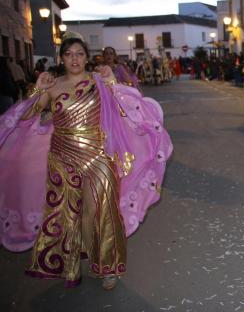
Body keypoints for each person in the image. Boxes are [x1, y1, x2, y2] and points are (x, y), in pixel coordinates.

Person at [0, 32, 172, 290]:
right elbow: (28, 116)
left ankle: (107, 268)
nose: (74, 59)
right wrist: (38, 89)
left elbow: (124, 106)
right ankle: (69, 265)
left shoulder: (97, 82)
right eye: (69, 54)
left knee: (100, 211)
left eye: (79, 53)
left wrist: (112, 81)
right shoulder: (54, 86)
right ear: (61, 59)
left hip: (97, 156)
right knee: (67, 215)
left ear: (87, 58)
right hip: (61, 158)